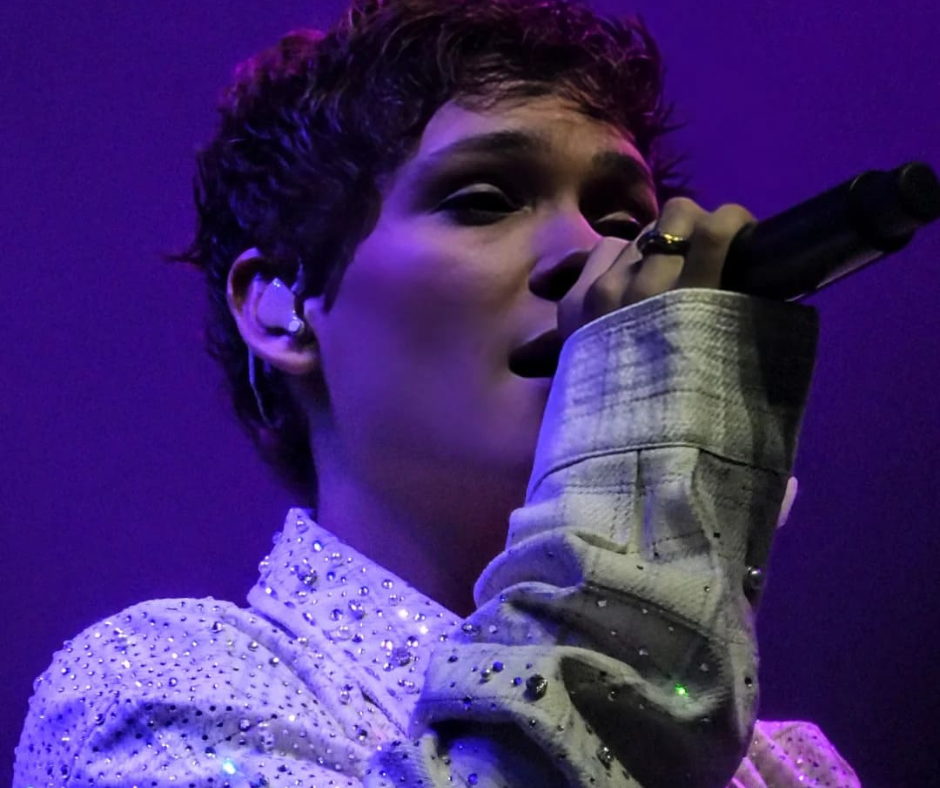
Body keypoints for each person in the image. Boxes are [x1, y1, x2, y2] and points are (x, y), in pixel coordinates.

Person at [13, 1, 860, 786]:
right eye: (484, 201)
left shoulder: (787, 769)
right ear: (283, 306)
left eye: (619, 220)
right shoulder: (155, 692)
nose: (590, 255)